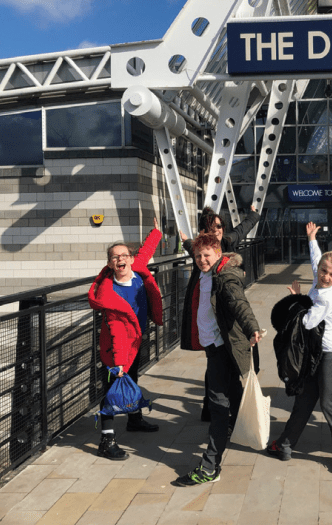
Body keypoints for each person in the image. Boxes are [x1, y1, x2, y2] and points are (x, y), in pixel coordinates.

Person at [173, 233, 262, 486]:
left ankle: (210, 465)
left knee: (218, 405)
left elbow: (239, 303)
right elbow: (195, 247)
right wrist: (187, 241)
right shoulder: (203, 270)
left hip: (223, 350)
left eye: (207, 255)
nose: (202, 260)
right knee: (233, 396)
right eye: (198, 256)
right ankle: (232, 432)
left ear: (219, 253)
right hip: (214, 347)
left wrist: (252, 328)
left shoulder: (225, 275)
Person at [267, 222, 332, 474]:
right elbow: (317, 259)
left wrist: (296, 298)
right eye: (323, 271)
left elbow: (307, 321)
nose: (325, 276)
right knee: (304, 401)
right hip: (314, 352)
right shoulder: (320, 280)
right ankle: (285, 444)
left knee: (329, 404)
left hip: (331, 354)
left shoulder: (328, 296)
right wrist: (311, 239)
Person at [88, 217, 163, 460]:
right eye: (114, 257)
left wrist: (157, 232)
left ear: (130, 259)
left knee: (133, 378)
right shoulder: (109, 293)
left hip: (136, 341)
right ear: (109, 264)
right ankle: (106, 440)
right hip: (116, 350)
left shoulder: (138, 274)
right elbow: (116, 330)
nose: (120, 259)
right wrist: (118, 363)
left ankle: (134, 419)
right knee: (112, 391)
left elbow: (145, 252)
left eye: (124, 255)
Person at [181, 205, 261, 421]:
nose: (216, 230)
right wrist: (186, 241)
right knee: (221, 372)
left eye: (219, 226)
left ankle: (221, 419)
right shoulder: (202, 252)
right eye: (211, 227)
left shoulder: (225, 246)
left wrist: (253, 214)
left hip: (225, 322)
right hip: (210, 325)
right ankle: (229, 417)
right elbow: (195, 249)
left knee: (222, 374)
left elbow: (243, 228)